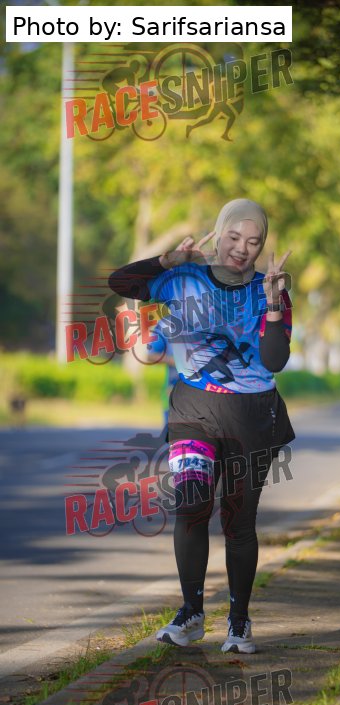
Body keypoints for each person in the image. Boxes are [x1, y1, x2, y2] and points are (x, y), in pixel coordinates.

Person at [109, 198, 295, 654]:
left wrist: (273, 305)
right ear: (219, 233)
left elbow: (275, 360)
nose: (242, 249)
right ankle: (191, 613)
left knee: (238, 520)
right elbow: (122, 282)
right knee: (191, 505)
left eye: (253, 242)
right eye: (233, 237)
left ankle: (239, 621)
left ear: (262, 246)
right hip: (194, 409)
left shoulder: (271, 291)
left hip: (253, 416)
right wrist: (166, 260)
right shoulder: (183, 278)